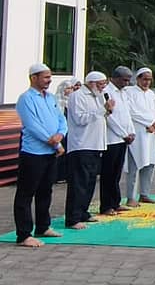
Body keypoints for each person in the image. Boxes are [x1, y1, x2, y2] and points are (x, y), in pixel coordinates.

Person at [13, 64, 67, 247]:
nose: (49, 80)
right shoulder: (26, 99)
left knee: (46, 191)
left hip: (50, 153)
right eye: (45, 77)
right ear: (33, 78)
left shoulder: (50, 97)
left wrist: (61, 134)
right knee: (26, 193)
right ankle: (23, 234)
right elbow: (32, 125)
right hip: (33, 153)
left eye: (50, 76)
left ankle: (43, 226)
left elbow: (61, 119)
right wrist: (53, 141)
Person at [65, 71, 109, 229]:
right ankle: (73, 217)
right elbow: (80, 118)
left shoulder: (98, 96)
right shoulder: (78, 96)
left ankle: (83, 212)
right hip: (82, 145)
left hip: (95, 144)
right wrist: (103, 110)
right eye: (101, 84)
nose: (104, 87)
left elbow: (99, 117)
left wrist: (105, 110)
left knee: (90, 181)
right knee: (79, 182)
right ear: (92, 83)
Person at [99, 67, 136, 216]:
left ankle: (115, 202)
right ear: (114, 78)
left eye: (128, 80)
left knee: (116, 173)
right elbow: (110, 117)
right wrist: (123, 133)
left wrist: (131, 131)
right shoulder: (106, 92)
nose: (126, 83)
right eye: (124, 80)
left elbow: (127, 114)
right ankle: (106, 205)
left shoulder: (123, 93)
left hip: (123, 138)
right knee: (108, 173)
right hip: (111, 139)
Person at [124, 67, 155, 206]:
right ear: (138, 79)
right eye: (144, 79)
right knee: (134, 166)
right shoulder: (130, 92)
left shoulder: (151, 94)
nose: (147, 82)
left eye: (149, 79)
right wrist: (149, 123)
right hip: (138, 133)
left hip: (151, 134)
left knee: (150, 164)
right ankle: (131, 197)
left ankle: (144, 193)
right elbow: (132, 112)